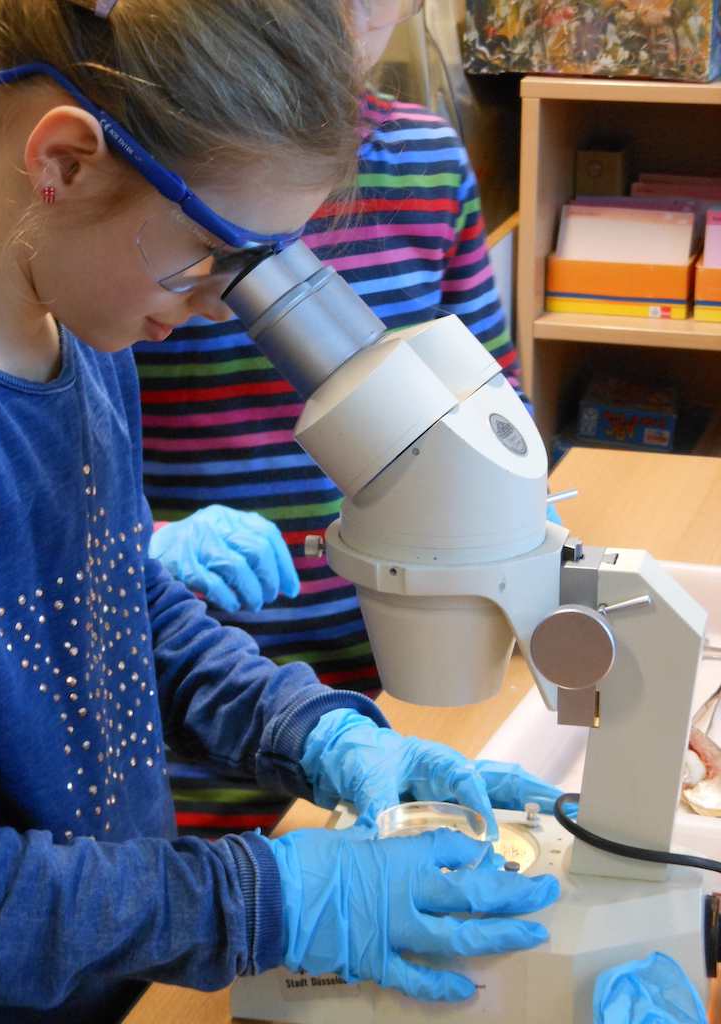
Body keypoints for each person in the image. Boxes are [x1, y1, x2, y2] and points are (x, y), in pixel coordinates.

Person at [0, 1, 562, 1020]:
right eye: (213, 259)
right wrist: (272, 894)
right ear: (61, 164)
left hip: (114, 969)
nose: (222, 307)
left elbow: (115, 604)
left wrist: (308, 729)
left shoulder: (79, 330)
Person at [139, 0, 536, 837]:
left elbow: (499, 405)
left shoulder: (427, 159)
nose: (349, 14)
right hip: (196, 698)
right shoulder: (159, 188)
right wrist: (144, 547)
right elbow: (59, 481)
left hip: (394, 688)